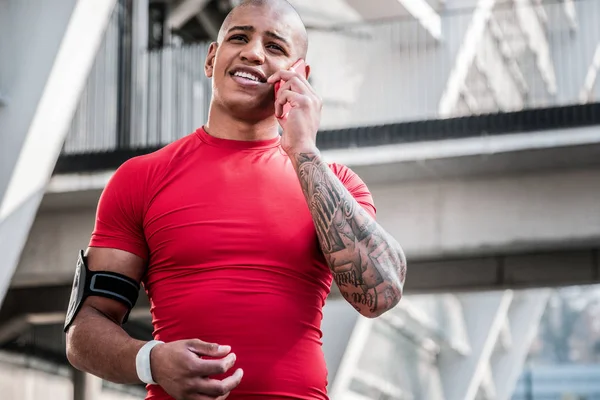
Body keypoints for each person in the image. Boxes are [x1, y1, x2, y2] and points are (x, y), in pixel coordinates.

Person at [64, 0, 407, 399]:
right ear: (212, 58)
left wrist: (304, 152)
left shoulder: (335, 185)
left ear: (300, 76)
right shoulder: (140, 178)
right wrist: (150, 360)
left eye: (275, 47)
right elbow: (85, 328)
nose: (253, 52)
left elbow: (380, 294)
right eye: (239, 37)